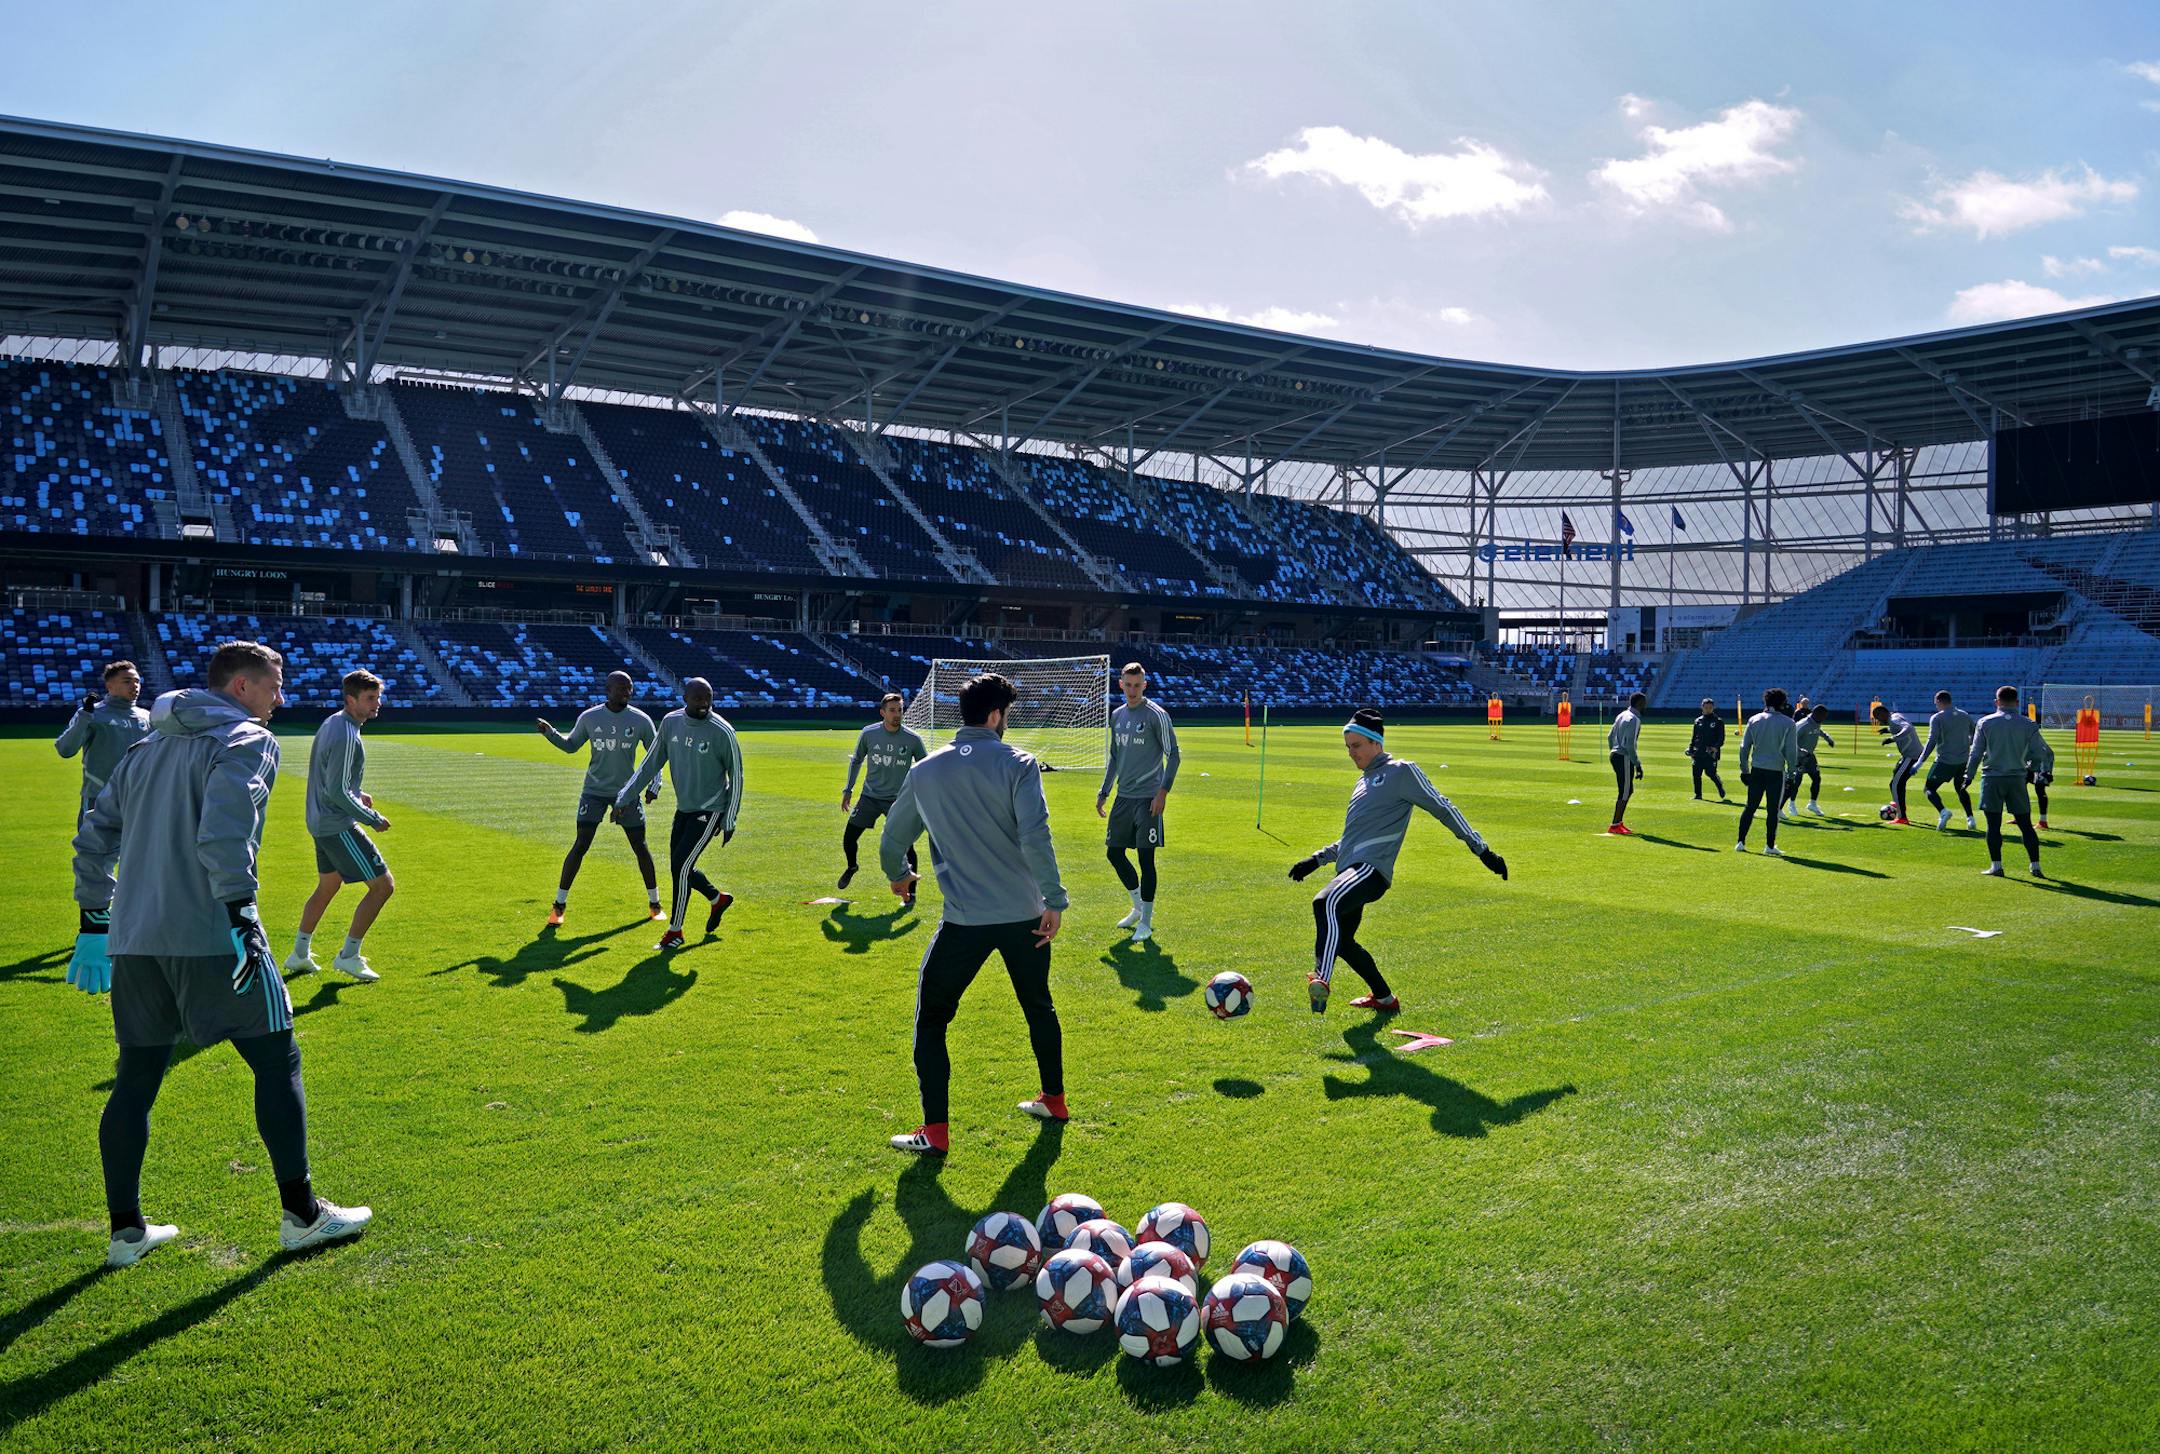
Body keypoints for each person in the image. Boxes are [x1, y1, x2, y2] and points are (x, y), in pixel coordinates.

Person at [70, 641, 370, 1266]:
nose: (279, 698)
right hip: (212, 933)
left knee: (136, 1078)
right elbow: (225, 831)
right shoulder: (247, 741)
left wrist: (95, 921)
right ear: (241, 688)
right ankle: (303, 1216)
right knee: (277, 1055)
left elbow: (96, 834)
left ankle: (126, 1231)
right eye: (273, 685)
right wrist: (240, 914)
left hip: (134, 939)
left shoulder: (146, 744)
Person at [879, 672, 1068, 1155]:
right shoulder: (1020, 764)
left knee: (932, 1020)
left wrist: (899, 874)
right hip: (1025, 914)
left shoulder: (925, 771)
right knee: (1038, 1006)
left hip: (964, 921)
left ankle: (936, 1132)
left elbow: (892, 839)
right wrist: (1054, 900)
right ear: (996, 716)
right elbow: (1036, 836)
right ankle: (1054, 1099)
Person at [1289, 707, 1508, 1014]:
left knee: (1324, 902)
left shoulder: (1401, 771)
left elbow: (1443, 808)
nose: (1351, 753)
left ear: (1376, 742)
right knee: (1342, 942)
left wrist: (1482, 850)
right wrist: (1315, 860)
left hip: (1370, 871)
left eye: (1357, 745)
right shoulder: (1362, 783)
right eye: (1348, 747)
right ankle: (1384, 998)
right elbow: (1351, 839)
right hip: (1350, 870)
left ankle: (1321, 979)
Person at [617, 676, 742, 951]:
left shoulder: (722, 731)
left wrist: (730, 818)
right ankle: (717, 899)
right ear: (685, 697)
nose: (704, 703)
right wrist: (624, 797)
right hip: (684, 808)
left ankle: (675, 931)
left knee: (682, 868)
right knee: (679, 867)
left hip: (710, 810)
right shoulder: (670, 722)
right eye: (698, 698)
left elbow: (737, 777)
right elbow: (650, 763)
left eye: (708, 698)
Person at [286, 670, 394, 982]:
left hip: (319, 820)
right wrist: (371, 818)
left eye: (378, 697)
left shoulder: (334, 722)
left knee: (328, 885)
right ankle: (349, 955)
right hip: (336, 824)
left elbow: (330, 779)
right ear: (350, 700)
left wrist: (357, 793)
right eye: (370, 699)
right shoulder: (347, 734)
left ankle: (300, 953)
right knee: (382, 886)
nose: (377, 704)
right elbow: (336, 791)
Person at [537, 670, 662, 925]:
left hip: (627, 793)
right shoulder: (590, 717)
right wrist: (551, 734)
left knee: (640, 846)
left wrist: (654, 785)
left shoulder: (641, 720)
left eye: (629, 688)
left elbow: (656, 756)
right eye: (621, 687)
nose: (626, 692)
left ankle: (655, 904)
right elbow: (571, 746)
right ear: (608, 689)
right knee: (581, 844)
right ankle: (559, 906)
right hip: (593, 791)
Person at [1096, 662, 1181, 940]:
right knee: (1114, 853)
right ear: (1120, 684)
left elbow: (1174, 756)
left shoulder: (1157, 715)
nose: (1133, 690)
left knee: (1146, 859)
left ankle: (1146, 921)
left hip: (1148, 799)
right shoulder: (1117, 714)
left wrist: (1162, 793)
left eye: (1138, 685)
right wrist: (1104, 792)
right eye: (1128, 684)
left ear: (1145, 685)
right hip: (1123, 797)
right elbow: (1114, 758)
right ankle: (1136, 907)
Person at [839, 691, 928, 901]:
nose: (897, 714)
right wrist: (848, 789)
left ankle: (910, 893)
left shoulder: (913, 739)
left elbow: (926, 768)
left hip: (898, 801)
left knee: (907, 846)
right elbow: (856, 760)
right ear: (882, 712)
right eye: (892, 710)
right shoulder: (869, 734)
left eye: (900, 710)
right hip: (869, 797)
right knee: (849, 837)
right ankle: (852, 866)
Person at [1962, 686, 2054, 878]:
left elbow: (1976, 752)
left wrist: (1968, 776)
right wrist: (2032, 770)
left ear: (1997, 702)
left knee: (1993, 825)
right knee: (2025, 824)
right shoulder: (2028, 724)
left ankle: (1997, 866)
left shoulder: (1985, 722)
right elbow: (2040, 753)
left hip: (1992, 778)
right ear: (2017, 702)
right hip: (2017, 779)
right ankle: (2035, 866)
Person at [56, 659, 152, 826]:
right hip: (98, 797)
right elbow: (66, 750)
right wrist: (84, 717)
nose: (135, 686)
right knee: (92, 851)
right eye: (127, 681)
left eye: (137, 681)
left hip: (139, 798)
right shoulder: (92, 714)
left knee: (137, 851)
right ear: (110, 686)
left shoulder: (147, 717)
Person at [1735, 688, 1799, 855]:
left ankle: (1740, 842)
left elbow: (1744, 748)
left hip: (1756, 770)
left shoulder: (1754, 719)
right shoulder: (1788, 722)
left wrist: (1744, 770)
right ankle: (1769, 846)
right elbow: (1791, 751)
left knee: (1750, 807)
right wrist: (1792, 772)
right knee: (1772, 810)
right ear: (1782, 703)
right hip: (1775, 772)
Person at [1919, 689, 1978, 831]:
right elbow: (1975, 734)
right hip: (1963, 760)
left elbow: (1931, 741)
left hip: (1945, 761)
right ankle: (1970, 819)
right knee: (1960, 788)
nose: (1936, 706)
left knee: (1929, 788)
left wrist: (1920, 760)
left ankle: (1943, 811)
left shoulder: (1937, 718)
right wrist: (1966, 744)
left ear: (1939, 701)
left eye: (1936, 704)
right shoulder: (1964, 715)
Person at [1872, 703, 1922, 825]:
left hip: (1911, 756)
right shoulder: (1895, 716)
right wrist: (1887, 730)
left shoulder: (1894, 720)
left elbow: (1908, 728)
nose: (1878, 721)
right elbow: (1899, 726)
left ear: (1882, 714)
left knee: (1895, 784)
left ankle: (1902, 817)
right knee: (1896, 775)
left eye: (1878, 718)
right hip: (1910, 755)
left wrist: (1892, 738)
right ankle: (1899, 803)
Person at [1781, 704, 1835, 818]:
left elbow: (1819, 731)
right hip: (1798, 757)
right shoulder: (1803, 725)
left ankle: (1812, 804)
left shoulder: (1816, 722)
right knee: (1796, 782)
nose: (1824, 718)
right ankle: (1791, 804)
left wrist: (1828, 738)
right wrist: (1800, 752)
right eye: (1823, 716)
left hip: (1809, 756)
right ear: (1816, 714)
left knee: (1816, 778)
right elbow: (1790, 741)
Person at [1605, 692, 1645, 834]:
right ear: (1640, 703)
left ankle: (1618, 823)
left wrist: (1614, 750)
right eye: (1644, 703)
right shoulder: (1634, 719)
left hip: (1615, 755)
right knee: (1625, 791)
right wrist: (1637, 764)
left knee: (1626, 790)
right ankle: (1615, 824)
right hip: (1624, 757)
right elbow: (1630, 745)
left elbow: (1610, 736)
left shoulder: (1621, 715)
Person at [1687, 698, 1727, 800]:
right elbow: (1694, 737)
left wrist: (1716, 747)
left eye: (1710, 707)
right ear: (1702, 707)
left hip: (1710, 753)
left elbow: (1721, 738)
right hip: (1698, 752)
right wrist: (1691, 748)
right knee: (1696, 774)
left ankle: (1719, 785)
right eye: (1706, 707)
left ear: (1713, 708)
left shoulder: (1718, 721)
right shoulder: (1698, 721)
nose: (1708, 709)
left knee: (1710, 773)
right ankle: (1698, 795)